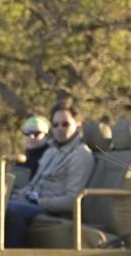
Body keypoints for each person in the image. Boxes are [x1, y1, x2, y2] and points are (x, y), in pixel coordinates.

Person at [5, 100, 96, 248]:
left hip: (54, 211)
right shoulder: (51, 151)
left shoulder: (81, 155)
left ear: (78, 125)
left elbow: (72, 201)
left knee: (11, 210)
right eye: (55, 125)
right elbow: (34, 184)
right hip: (36, 202)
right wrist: (16, 194)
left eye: (65, 124)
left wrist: (34, 201)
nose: (60, 129)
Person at [12, 115, 51, 187]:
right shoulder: (20, 161)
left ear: (47, 136)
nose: (31, 136)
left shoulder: (53, 159)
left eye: (36, 133)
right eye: (27, 133)